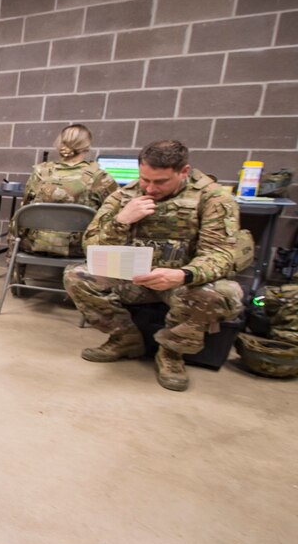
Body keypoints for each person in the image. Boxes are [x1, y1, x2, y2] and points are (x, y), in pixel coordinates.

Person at [63, 140, 247, 392]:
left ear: (183, 171)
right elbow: (91, 246)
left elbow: (221, 254)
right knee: (76, 276)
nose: (149, 188)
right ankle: (125, 339)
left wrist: (183, 275)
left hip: (182, 284)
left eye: (160, 182)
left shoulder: (213, 198)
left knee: (223, 293)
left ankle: (171, 353)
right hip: (135, 279)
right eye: (144, 179)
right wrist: (121, 220)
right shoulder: (125, 196)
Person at [17, 124, 117, 257]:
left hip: (33, 244)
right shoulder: (99, 177)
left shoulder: (39, 173)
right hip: (78, 249)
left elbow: (24, 208)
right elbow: (115, 211)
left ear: (59, 144)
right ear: (87, 147)